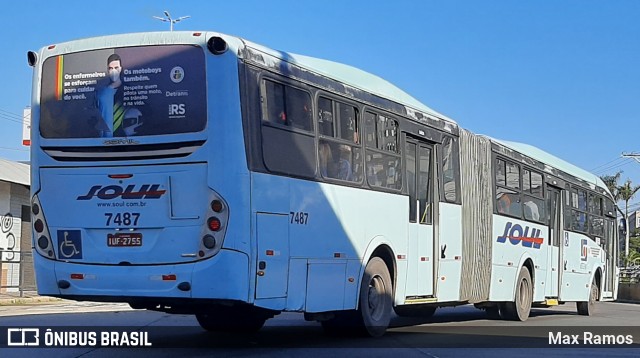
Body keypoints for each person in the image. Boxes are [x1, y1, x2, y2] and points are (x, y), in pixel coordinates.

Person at [96, 54, 124, 137]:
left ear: (121, 69)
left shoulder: (129, 90)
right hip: (103, 143)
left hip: (126, 143)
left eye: (116, 68)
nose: (114, 71)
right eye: (111, 68)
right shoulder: (100, 93)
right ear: (107, 70)